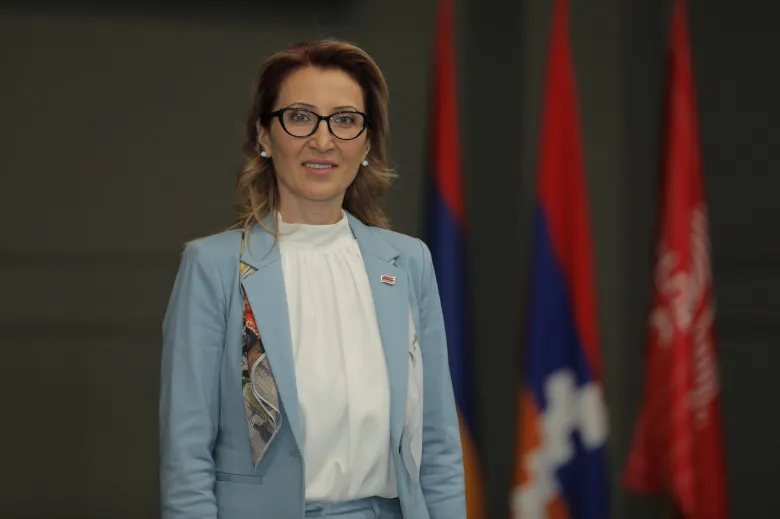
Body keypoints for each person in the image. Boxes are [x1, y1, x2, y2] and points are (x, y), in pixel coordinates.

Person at [159, 39, 466, 519]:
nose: (323, 141)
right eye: (300, 117)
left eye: (344, 120)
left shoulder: (408, 263)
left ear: (367, 142)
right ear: (264, 135)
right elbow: (187, 454)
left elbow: (438, 444)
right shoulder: (213, 266)